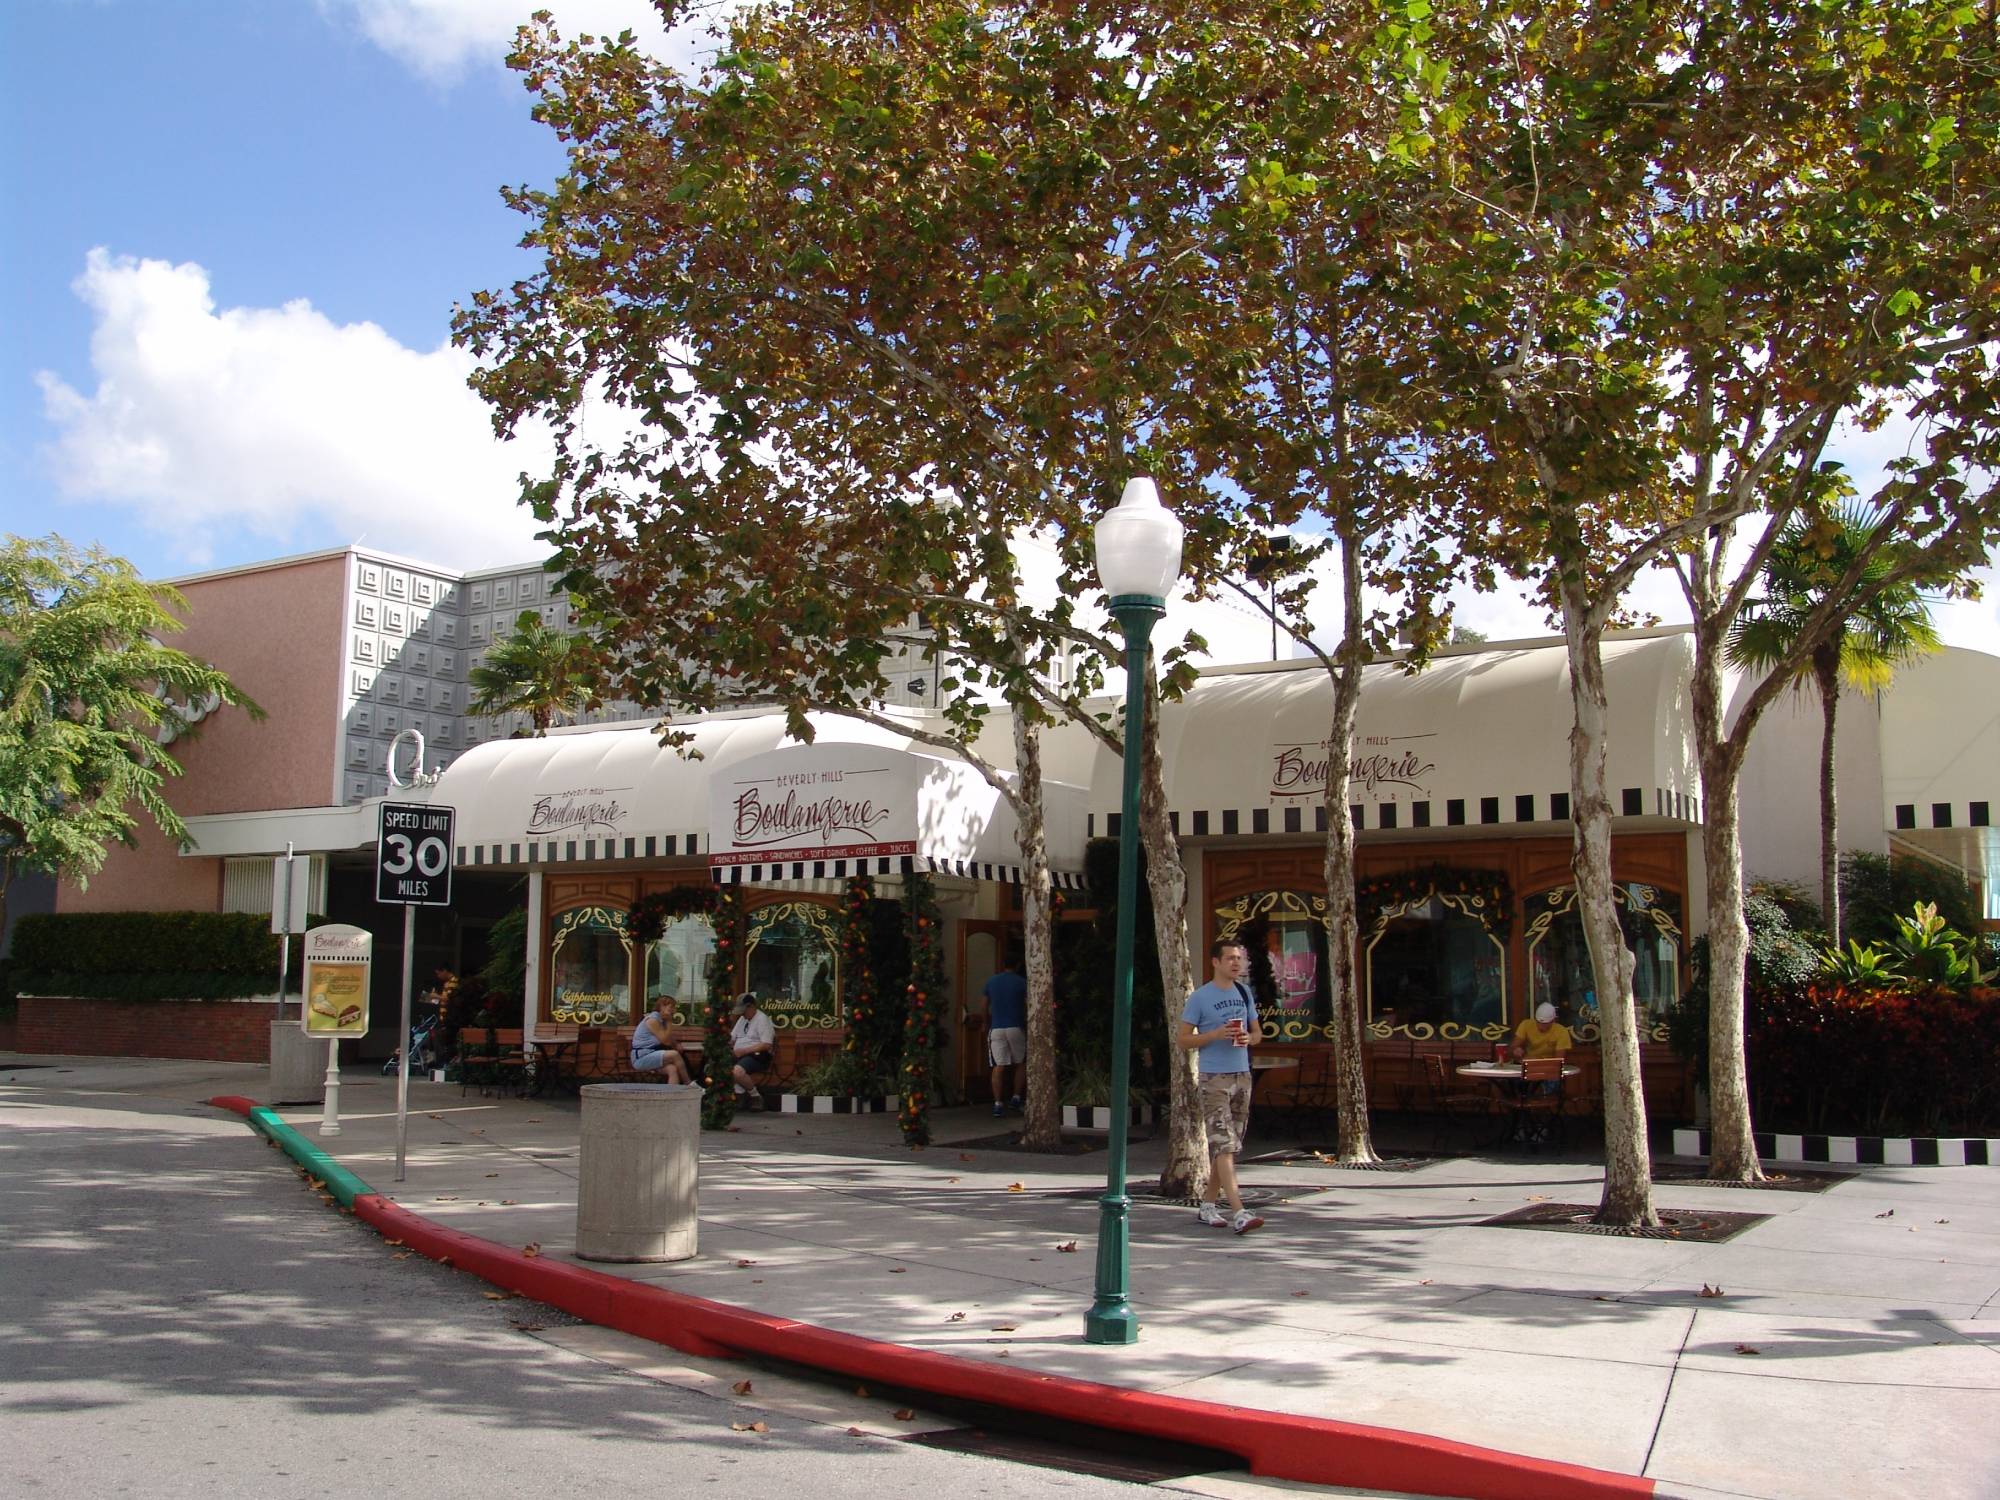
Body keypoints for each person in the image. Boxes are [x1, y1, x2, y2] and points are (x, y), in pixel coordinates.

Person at [1176, 938, 1265, 1235]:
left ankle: (1208, 1205)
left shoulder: (1244, 992)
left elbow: (1257, 1034)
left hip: (1242, 1073)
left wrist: (1247, 1039)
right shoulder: (1200, 998)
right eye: (1229, 958)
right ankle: (1238, 1210)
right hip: (1214, 1078)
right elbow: (1183, 1039)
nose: (1236, 963)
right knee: (1223, 1143)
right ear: (1215, 962)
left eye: (1239, 958)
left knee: (1229, 1146)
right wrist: (1214, 1034)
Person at [982, 959, 1027, 1117]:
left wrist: (985, 1023)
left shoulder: (992, 981)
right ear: (1017, 966)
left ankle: (997, 1104)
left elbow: (985, 1004)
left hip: (997, 1028)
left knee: (998, 1065)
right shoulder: (1022, 982)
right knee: (1020, 1063)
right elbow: (1028, 1003)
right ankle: (1016, 1097)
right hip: (1015, 1026)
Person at [630, 993, 691, 1084]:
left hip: (651, 1054)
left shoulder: (661, 1019)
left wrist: (676, 1044)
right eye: (671, 1007)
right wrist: (670, 1022)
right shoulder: (653, 1020)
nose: (674, 1011)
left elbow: (668, 1037)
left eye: (674, 1008)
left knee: (672, 1069)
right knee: (674, 1054)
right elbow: (665, 1041)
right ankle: (689, 1083)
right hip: (642, 1057)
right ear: (662, 1006)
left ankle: (671, 1096)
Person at [730, 991, 776, 1110]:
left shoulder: (762, 1019)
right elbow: (732, 1038)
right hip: (740, 1054)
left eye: (744, 1011)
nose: (742, 1015)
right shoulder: (742, 1019)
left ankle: (755, 1096)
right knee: (718, 1064)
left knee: (737, 1071)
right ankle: (738, 1094)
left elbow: (766, 1044)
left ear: (751, 1006)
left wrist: (744, 1051)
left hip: (757, 1055)